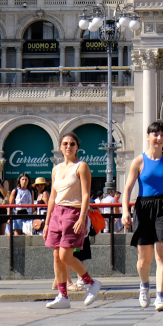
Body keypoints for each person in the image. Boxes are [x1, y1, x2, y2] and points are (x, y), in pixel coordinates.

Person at [121, 121, 163, 310]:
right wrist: (124, 211)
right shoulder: (139, 161)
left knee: (162, 255)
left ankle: (160, 296)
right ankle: (144, 285)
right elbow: (128, 188)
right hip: (143, 207)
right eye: (155, 134)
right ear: (148, 136)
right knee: (144, 259)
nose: (159, 138)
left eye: (162, 134)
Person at [45, 132, 102, 310]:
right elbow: (53, 197)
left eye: (71, 143)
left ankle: (90, 282)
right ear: (60, 147)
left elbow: (86, 194)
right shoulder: (56, 169)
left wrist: (82, 216)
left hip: (73, 212)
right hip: (57, 213)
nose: (68, 146)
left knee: (65, 255)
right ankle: (63, 296)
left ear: (77, 147)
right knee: (56, 256)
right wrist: (47, 222)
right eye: (65, 144)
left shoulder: (81, 166)